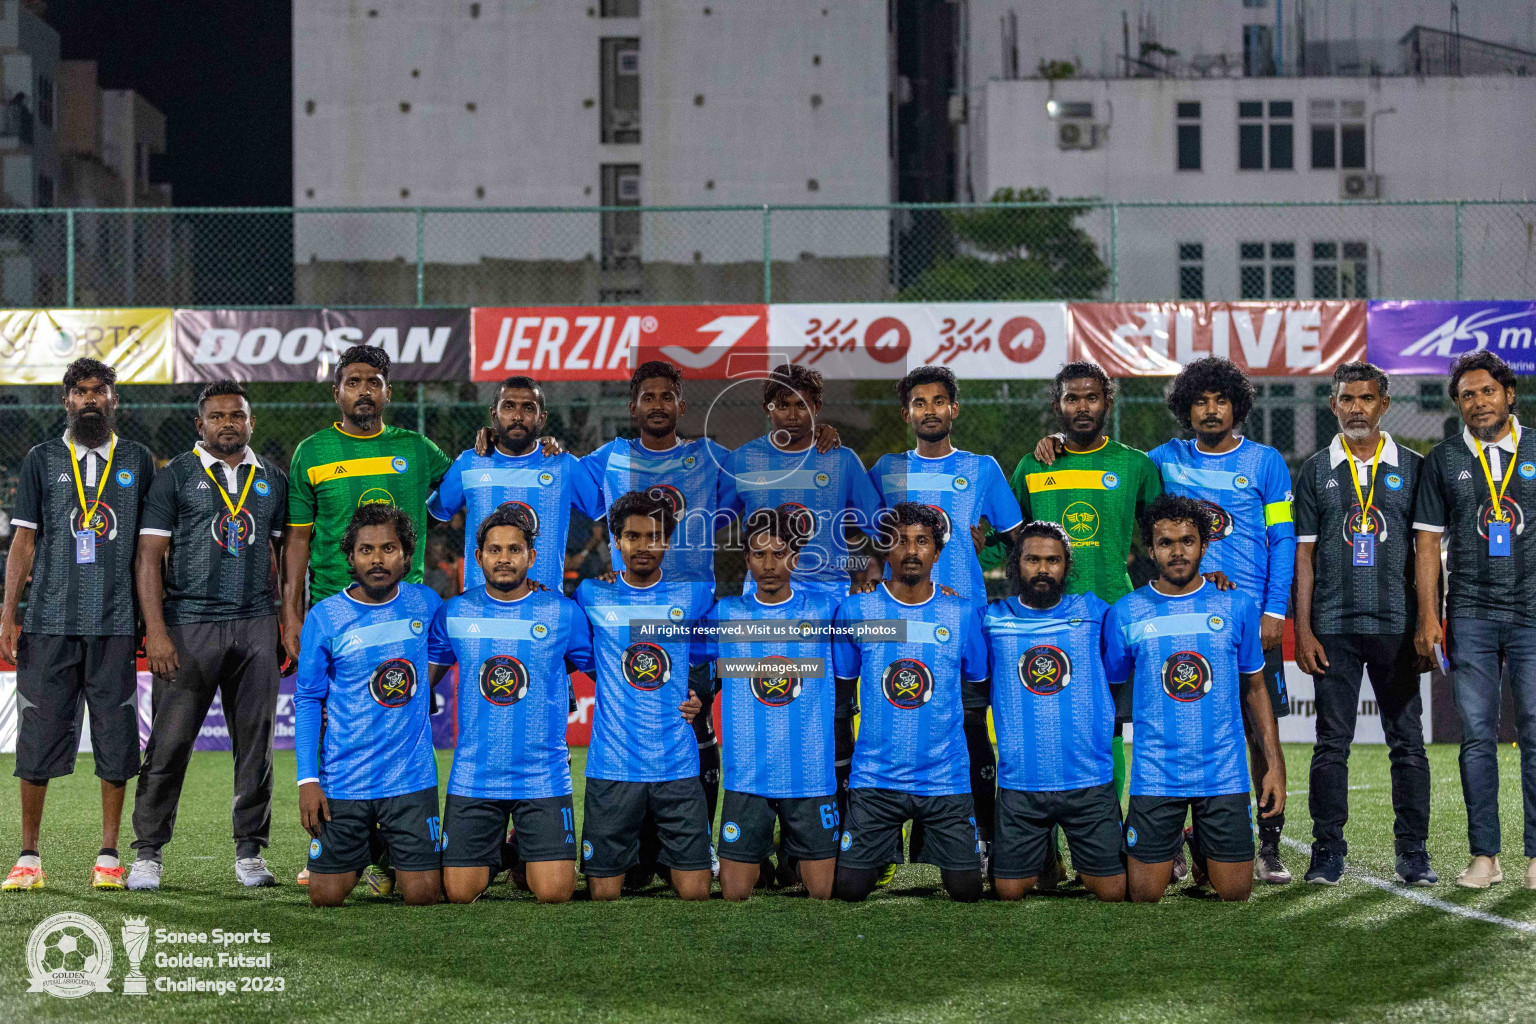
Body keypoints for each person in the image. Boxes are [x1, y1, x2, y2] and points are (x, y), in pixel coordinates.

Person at [281, 344, 451, 886]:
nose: (363, 391)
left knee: (399, 721)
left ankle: (396, 848)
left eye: (373, 381)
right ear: (337, 391)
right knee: (338, 731)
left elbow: (471, 485)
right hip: (337, 617)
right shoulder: (312, 451)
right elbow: (297, 543)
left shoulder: (416, 449)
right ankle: (335, 847)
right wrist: (293, 612)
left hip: (409, 617)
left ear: (387, 391)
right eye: (353, 382)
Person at [127, 380, 290, 890]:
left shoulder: (273, 480)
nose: (227, 424)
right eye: (217, 416)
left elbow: (284, 559)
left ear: (250, 422)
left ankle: (250, 853)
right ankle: (148, 853)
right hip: (188, 623)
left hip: (257, 622)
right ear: (200, 424)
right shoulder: (174, 476)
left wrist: (286, 621)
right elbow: (148, 557)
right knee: (169, 744)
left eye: (236, 415)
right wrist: (155, 630)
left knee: (257, 745)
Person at [1, 358, 156, 891]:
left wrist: (151, 622)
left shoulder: (138, 460)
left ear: (115, 400)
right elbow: (23, 541)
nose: (90, 399)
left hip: (115, 623)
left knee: (116, 739)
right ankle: (28, 857)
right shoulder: (42, 459)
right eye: (81, 391)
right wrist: (8, 613)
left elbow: (148, 550)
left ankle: (109, 855)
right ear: (66, 400)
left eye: (100, 391)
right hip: (48, 620)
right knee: (36, 738)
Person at [867, 366, 1023, 871]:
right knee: (895, 719)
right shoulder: (887, 470)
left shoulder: (983, 468)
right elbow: (864, 540)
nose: (929, 410)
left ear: (954, 409)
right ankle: (885, 845)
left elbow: (1017, 538)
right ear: (908, 412)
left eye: (939, 401)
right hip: (898, 626)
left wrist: (988, 542)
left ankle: (984, 842)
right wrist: (867, 576)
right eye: (919, 402)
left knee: (972, 729)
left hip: (965, 624)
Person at [1148, 357, 1295, 885]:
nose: (1211, 411)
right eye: (1200, 402)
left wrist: (1274, 610)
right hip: (1181, 619)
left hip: (1249, 620)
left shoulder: (1265, 462)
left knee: (1260, 731)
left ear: (1238, 406)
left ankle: (1270, 842)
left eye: (1221, 401)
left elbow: (1282, 541)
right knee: (1183, 726)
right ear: (1185, 408)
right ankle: (1180, 841)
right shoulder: (1163, 460)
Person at [1103, 494, 1286, 903]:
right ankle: (1175, 843)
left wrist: (1274, 766)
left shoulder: (1237, 605)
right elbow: (1110, 697)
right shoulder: (1127, 612)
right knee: (1143, 895)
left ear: (1205, 545)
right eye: (1165, 543)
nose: (1177, 551)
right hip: (1156, 773)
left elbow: (1256, 690)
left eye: (1188, 540)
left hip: (1223, 773)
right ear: (1150, 549)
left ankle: (1201, 844)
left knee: (1236, 893)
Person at [1293, 362, 1434, 887]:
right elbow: (1303, 559)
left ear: (1384, 405)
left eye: (1366, 398)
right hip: (1332, 625)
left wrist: (1427, 621)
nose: (1356, 407)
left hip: (1397, 626)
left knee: (1408, 742)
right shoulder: (1314, 470)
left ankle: (1414, 852)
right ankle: (1327, 851)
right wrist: (1302, 629)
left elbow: (1427, 552)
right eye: (1346, 399)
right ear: (1333, 405)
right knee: (1332, 741)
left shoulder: (1415, 467)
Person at [426, 505, 593, 904]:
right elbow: (418, 684)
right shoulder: (454, 613)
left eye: (515, 549)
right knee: (460, 893)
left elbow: (606, 673)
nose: (504, 558)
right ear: (478, 556)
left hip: (542, 775)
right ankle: (507, 853)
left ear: (531, 557)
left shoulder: (563, 613)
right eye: (495, 549)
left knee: (554, 893)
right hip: (474, 775)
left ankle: (525, 847)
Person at [1414, 350, 1536, 890]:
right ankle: (1485, 855)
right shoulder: (1443, 460)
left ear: (1510, 395)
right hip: (1470, 615)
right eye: (1467, 394)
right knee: (1478, 737)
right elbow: (1426, 545)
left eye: (1487, 391)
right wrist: (1429, 617)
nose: (1478, 401)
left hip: (1534, 613)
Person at [830, 502, 988, 903]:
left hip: (945, 777)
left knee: (967, 891)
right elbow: (842, 693)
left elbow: (976, 684)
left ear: (937, 552)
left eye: (922, 542)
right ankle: (878, 854)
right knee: (849, 890)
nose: (911, 551)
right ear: (886, 549)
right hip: (876, 778)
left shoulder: (960, 613)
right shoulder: (856, 610)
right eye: (900, 541)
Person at [295, 504, 444, 907]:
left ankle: (394, 855)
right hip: (346, 778)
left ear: (407, 554)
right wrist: (308, 780)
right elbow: (308, 698)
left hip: (410, 778)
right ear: (350, 556)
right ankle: (375, 850)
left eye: (388, 548)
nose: (377, 559)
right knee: (324, 897)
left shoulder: (426, 604)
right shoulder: (325, 617)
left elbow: (456, 642)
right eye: (366, 550)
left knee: (425, 896)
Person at [572, 490, 712, 901]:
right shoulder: (592, 595)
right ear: (616, 541)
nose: (643, 546)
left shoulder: (694, 595)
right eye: (633, 537)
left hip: (677, 765)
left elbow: (709, 652)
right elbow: (584, 656)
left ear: (667, 541)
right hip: (612, 767)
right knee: (603, 895)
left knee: (697, 893)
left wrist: (699, 691)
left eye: (654, 537)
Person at [698, 509, 841, 900]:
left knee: (824, 894)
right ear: (746, 560)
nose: (769, 564)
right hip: (748, 777)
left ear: (795, 558)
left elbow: (887, 615)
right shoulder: (726, 615)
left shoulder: (825, 610)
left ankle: (786, 855)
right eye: (759, 555)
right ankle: (765, 859)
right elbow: (681, 652)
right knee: (733, 895)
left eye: (779, 554)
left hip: (809, 775)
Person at [980, 522, 1125, 902]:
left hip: (1088, 781)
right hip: (1021, 784)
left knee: (1113, 892)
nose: (1043, 569)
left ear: (1066, 566)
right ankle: (1045, 855)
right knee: (1008, 892)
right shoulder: (991, 619)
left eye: (1052, 560)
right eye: (1033, 560)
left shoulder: (1096, 613)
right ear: (1016, 564)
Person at [717, 364, 881, 597]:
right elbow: (704, 520)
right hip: (762, 594)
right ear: (768, 408)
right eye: (783, 406)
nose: (793, 416)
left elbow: (882, 528)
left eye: (801, 406)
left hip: (827, 593)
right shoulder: (742, 460)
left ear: (817, 407)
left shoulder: (843, 460)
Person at [429, 375, 602, 593]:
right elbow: (428, 520)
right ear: (494, 414)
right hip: (479, 610)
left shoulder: (563, 466)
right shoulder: (469, 463)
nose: (518, 416)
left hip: (544, 607)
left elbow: (614, 518)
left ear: (542, 419)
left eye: (528, 408)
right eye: (509, 407)